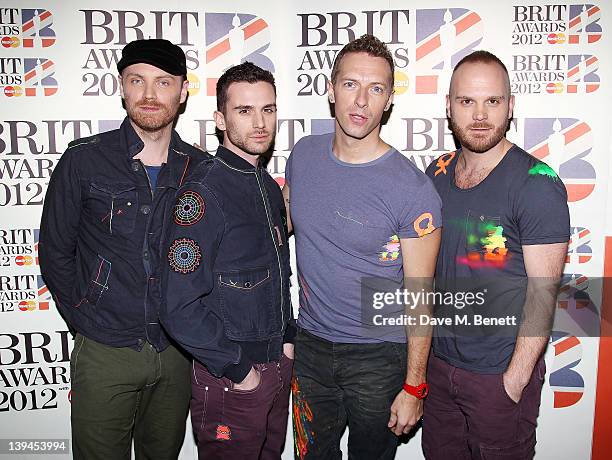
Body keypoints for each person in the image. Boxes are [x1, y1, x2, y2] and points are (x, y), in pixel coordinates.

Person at [38, 38, 207, 459]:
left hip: (176, 354)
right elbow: (55, 251)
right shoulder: (83, 160)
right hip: (104, 351)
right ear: (122, 87)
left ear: (183, 91)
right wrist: (85, 314)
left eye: (163, 83)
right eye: (138, 81)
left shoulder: (201, 169)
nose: (150, 95)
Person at [283, 34, 442, 460]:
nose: (361, 101)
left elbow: (421, 296)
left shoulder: (412, 189)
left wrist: (414, 384)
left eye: (376, 89)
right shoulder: (303, 155)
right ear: (330, 90)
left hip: (379, 355)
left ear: (389, 99)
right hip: (311, 346)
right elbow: (281, 230)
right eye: (351, 84)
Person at [423, 50, 570, 459]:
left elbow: (544, 292)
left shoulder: (536, 183)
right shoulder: (436, 174)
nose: (480, 114)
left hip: (497, 377)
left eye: (493, 101)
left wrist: (515, 379)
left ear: (511, 106)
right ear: (449, 106)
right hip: (439, 369)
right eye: (467, 101)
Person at [160, 62, 295, 460]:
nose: (259, 123)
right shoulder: (202, 193)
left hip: (275, 368)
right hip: (232, 379)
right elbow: (178, 305)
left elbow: (277, 276)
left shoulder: (268, 186)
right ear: (220, 119)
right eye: (244, 111)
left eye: (268, 110)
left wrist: (287, 340)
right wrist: (239, 370)